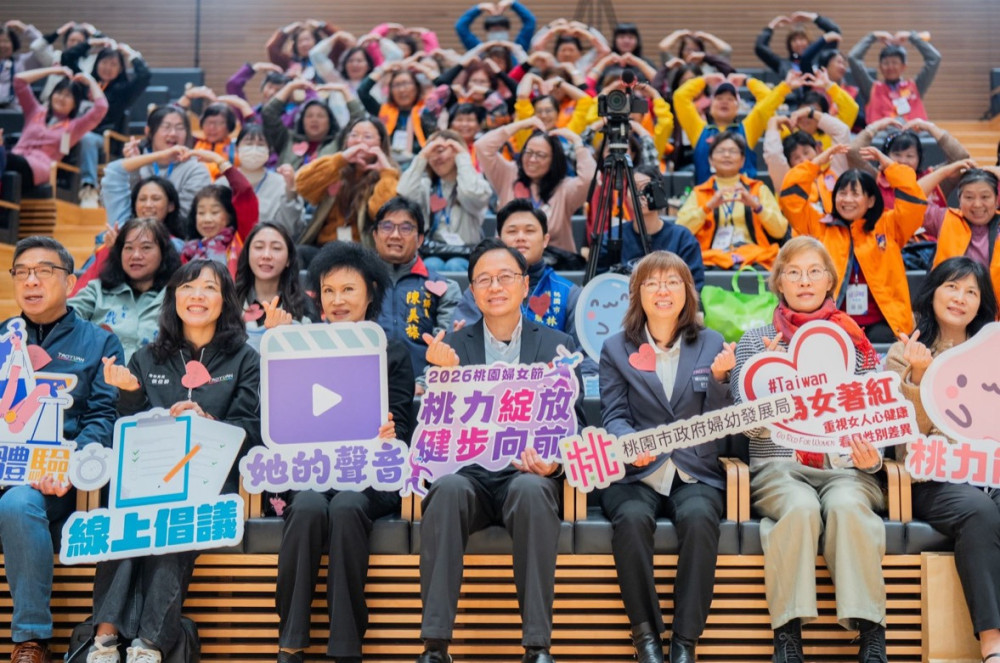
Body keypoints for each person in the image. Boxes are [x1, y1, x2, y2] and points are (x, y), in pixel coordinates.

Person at [416, 238, 583, 663]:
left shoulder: (557, 346)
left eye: (506, 277)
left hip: (525, 474)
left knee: (531, 492)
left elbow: (571, 422)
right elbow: (433, 433)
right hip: (469, 476)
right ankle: (435, 646)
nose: (495, 286)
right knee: (448, 490)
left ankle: (537, 647)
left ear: (525, 286)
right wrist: (442, 379)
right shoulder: (452, 348)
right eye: (484, 279)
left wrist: (555, 462)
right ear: (471, 292)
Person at [730, 236, 888, 663]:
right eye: (793, 272)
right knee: (799, 509)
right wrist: (768, 378)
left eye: (814, 271)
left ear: (830, 281)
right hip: (779, 468)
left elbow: (878, 416)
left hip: (844, 469)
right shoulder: (756, 341)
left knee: (848, 508)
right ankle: (788, 635)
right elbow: (743, 422)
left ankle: (872, 633)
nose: (804, 281)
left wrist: (873, 457)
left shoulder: (855, 342)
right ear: (778, 282)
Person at [95, 259, 261, 663]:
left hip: (210, 480)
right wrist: (131, 396)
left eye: (208, 288)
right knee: (127, 513)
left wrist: (211, 424)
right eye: (187, 288)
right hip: (147, 476)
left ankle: (148, 645)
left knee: (178, 517)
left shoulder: (244, 358)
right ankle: (103, 640)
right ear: (173, 298)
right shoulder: (147, 357)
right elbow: (124, 432)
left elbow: (253, 431)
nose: (197, 296)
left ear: (225, 301)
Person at [275, 241, 414, 663]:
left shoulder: (392, 351)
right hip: (307, 473)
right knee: (310, 507)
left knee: (349, 505)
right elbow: (276, 419)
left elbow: (404, 430)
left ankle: (346, 648)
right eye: (329, 290)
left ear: (370, 293)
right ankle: (291, 643)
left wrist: (391, 434)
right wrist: (277, 345)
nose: (338, 300)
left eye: (348, 290)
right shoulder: (294, 344)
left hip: (368, 477)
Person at [599, 251, 732, 663]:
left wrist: (721, 380)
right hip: (636, 474)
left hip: (695, 469)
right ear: (637, 293)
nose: (662, 290)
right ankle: (647, 637)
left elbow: (718, 419)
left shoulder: (709, 342)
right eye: (652, 282)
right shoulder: (615, 347)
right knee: (633, 521)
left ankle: (685, 641)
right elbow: (614, 415)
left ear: (687, 292)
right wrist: (633, 445)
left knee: (698, 519)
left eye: (672, 281)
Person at [0, 236, 123, 663]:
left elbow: (101, 416)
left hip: (59, 481)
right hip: (5, 465)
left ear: (70, 282)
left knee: (19, 503)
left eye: (44, 271)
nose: (31, 281)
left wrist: (71, 467)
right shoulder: (2, 341)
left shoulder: (99, 342)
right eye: (21, 272)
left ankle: (30, 639)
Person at [885, 257, 1000, 662]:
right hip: (933, 480)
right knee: (979, 511)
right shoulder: (903, 351)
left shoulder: (992, 353)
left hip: (992, 472)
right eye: (952, 287)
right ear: (933, 291)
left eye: (972, 291)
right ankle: (992, 641)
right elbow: (902, 434)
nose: (961, 298)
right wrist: (917, 378)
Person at [780, 145, 928, 341]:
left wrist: (890, 167)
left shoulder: (888, 226)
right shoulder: (820, 226)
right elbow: (790, 198)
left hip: (884, 323)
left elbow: (914, 202)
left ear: (871, 201)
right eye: (842, 193)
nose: (847, 200)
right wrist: (817, 163)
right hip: (830, 322)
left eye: (855, 194)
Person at [454, 198, 582, 334]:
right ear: (499, 241)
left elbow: (582, 353)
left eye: (529, 231)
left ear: (545, 240)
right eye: (512, 231)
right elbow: (462, 343)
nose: (520, 237)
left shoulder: (569, 294)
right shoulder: (481, 289)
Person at [370, 196, 460, 388]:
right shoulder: (359, 285)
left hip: (425, 390)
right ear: (375, 235)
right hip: (366, 386)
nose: (395, 235)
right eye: (387, 227)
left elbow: (447, 342)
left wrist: (425, 383)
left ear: (419, 239)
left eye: (405, 228)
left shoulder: (443, 288)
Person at [476, 116, 596, 254]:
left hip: (553, 265)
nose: (532, 159)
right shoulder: (508, 174)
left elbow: (590, 179)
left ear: (553, 160)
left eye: (541, 155)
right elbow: (482, 146)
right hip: (508, 264)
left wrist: (578, 144)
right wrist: (520, 124)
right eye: (528, 152)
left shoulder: (564, 189)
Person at [70, 217, 181, 362]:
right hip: (100, 378)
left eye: (146, 247)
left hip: (156, 380)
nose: (135, 255)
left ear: (164, 252)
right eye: (128, 248)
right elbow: (65, 318)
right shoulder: (97, 290)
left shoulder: (178, 296)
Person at [676, 130, 788, 270]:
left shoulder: (758, 189)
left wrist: (757, 207)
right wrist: (707, 208)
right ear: (710, 160)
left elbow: (780, 231)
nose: (727, 155)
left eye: (733, 151)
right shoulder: (700, 192)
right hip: (710, 259)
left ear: (742, 161)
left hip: (753, 257)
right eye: (721, 151)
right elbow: (681, 229)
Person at [295, 117, 399, 262]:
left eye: (367, 137)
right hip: (325, 248)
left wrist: (386, 173)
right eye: (354, 135)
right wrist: (341, 159)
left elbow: (384, 216)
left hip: (362, 252)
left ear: (381, 144)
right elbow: (301, 184)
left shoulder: (390, 176)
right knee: (297, 253)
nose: (359, 141)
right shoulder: (335, 169)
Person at [62, 41, 150, 207]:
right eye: (104, 62)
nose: (108, 67)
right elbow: (66, 58)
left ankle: (88, 188)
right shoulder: (85, 82)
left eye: (113, 64)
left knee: (87, 138)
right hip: (72, 135)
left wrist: (129, 52)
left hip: (103, 140)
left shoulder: (122, 90)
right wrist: (90, 44)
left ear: (120, 68)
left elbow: (144, 76)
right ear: (97, 63)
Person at [672, 72, 795, 185]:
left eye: (730, 99)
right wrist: (705, 80)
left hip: (744, 201)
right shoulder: (699, 130)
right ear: (710, 107)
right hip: (707, 202)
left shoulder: (747, 129)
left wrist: (748, 81)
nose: (724, 102)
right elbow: (680, 97)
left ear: (738, 109)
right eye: (719, 98)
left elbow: (767, 100)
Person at [397, 130, 492, 272]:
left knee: (454, 264)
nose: (436, 156)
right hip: (431, 251)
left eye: (441, 150)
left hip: (467, 253)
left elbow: (471, 193)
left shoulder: (477, 183)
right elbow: (404, 193)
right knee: (431, 265)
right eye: (432, 151)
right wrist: (422, 156)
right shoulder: (425, 186)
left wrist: (463, 156)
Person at [597, 164, 705, 288]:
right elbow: (599, 284)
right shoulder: (613, 237)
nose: (641, 195)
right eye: (634, 188)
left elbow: (694, 287)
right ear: (625, 196)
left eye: (647, 188)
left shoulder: (682, 238)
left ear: (660, 193)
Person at [5, 66, 107, 195]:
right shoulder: (35, 111)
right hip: (15, 157)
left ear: (75, 103)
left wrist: (91, 81)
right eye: (59, 93)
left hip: (39, 168)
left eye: (68, 96)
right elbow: (19, 80)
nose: (61, 98)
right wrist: (53, 70)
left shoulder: (75, 126)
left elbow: (101, 108)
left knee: (6, 157)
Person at [100, 105, 212, 222]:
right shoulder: (136, 161)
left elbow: (185, 216)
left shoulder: (196, 169)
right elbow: (110, 204)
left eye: (180, 128)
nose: (173, 133)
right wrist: (133, 168)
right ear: (149, 131)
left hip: (174, 235)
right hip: (132, 232)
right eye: (166, 127)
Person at [918, 167, 1000, 305]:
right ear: (959, 199)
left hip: (994, 314)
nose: (977, 204)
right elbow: (911, 197)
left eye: (985, 197)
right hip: (948, 308)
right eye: (969, 197)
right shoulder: (944, 218)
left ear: (997, 200)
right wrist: (945, 172)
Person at [234, 222, 312, 351]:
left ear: (288, 259)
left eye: (276, 248)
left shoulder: (304, 305)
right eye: (259, 247)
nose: (266, 255)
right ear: (247, 254)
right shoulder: (230, 302)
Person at [179, 152, 260, 277]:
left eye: (215, 212)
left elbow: (244, 191)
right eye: (201, 213)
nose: (207, 219)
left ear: (230, 215)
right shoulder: (188, 251)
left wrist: (219, 160)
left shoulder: (241, 239)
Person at [262, 78, 364, 170]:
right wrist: (290, 86)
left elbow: (359, 119)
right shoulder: (287, 139)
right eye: (309, 116)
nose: (314, 120)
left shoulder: (339, 141)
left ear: (330, 121)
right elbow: (268, 113)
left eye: (320, 116)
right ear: (302, 121)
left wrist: (344, 90)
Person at [848, 31, 940, 123]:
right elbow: (853, 58)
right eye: (886, 63)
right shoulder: (871, 89)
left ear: (904, 66)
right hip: (882, 136)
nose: (890, 67)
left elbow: (934, 59)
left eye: (895, 63)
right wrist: (872, 37)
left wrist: (912, 37)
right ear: (880, 67)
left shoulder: (916, 87)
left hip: (913, 134)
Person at [234, 123, 304, 239]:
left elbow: (290, 229)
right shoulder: (223, 183)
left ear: (269, 150)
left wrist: (290, 192)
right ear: (236, 148)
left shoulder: (282, 183)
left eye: (260, 144)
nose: (254, 149)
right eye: (249, 143)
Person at [755, 12, 841, 78]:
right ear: (790, 44)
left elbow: (834, 32)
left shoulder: (821, 58)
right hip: (793, 100)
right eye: (794, 40)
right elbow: (760, 48)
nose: (798, 43)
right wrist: (771, 26)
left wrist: (812, 17)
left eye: (801, 39)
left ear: (808, 41)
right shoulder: (783, 64)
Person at [455, 0, 537, 52]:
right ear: (487, 32)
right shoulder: (480, 52)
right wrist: (478, 8)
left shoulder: (517, 50)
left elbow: (530, 22)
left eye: (501, 29)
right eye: (494, 30)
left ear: (507, 30)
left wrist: (513, 3)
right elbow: (461, 27)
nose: (498, 33)